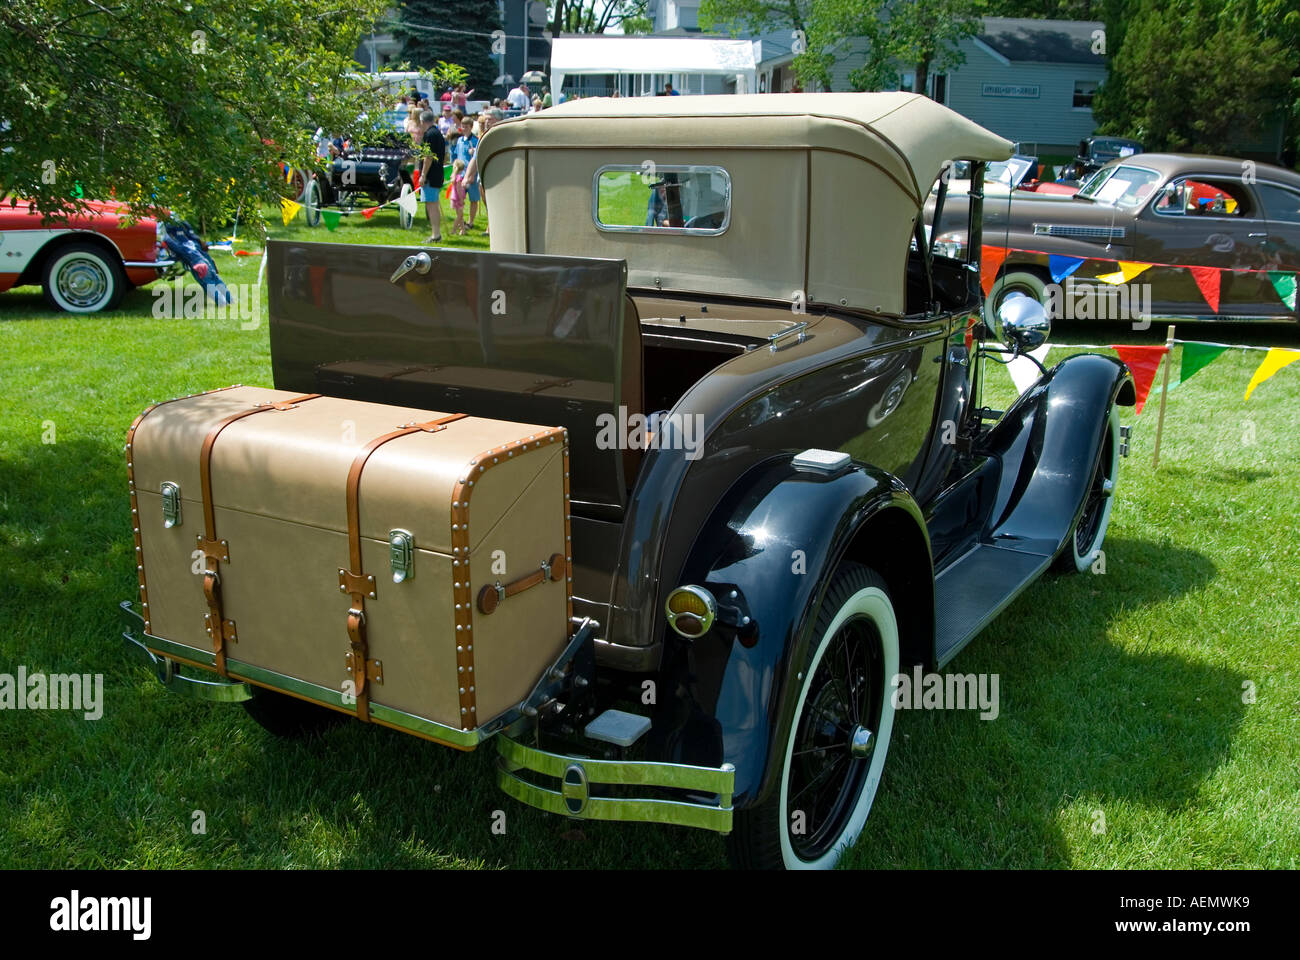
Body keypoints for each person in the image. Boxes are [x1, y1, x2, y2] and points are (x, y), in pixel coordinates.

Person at [416, 110, 446, 243]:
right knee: (431, 204)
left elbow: (428, 157)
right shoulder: (436, 133)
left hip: (431, 175)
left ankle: (436, 235)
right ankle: (435, 233)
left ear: (422, 121)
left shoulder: (430, 135)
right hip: (436, 173)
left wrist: (423, 175)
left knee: (432, 205)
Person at [452, 115, 480, 229]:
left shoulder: (475, 141)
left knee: (473, 199)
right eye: (462, 126)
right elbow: (456, 157)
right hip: (461, 175)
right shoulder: (459, 140)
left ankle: (471, 222)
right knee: (459, 199)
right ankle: (461, 221)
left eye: (466, 127)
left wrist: (472, 174)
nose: (464, 129)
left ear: (471, 127)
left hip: (471, 175)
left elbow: (477, 159)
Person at [449, 158, 468, 235]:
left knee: (460, 215)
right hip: (458, 199)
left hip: (454, 198)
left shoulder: (453, 176)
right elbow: (459, 189)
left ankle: (463, 230)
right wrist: (461, 199)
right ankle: (454, 229)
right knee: (460, 215)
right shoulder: (459, 178)